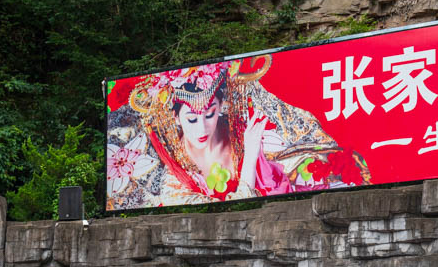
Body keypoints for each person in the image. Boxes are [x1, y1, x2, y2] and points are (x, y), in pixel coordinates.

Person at [111, 59, 371, 209]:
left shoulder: (250, 126)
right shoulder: (172, 174)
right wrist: (249, 158)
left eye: (210, 114)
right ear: (176, 118)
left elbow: (308, 155)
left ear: (221, 107)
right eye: (191, 119)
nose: (202, 128)